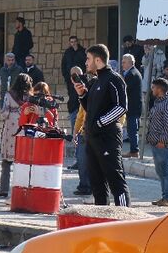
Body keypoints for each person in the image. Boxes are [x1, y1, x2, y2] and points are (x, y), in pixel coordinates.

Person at [74, 44, 130, 207]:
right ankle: (102, 221)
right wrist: (82, 95)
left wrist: (100, 122)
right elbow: (89, 109)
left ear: (98, 60)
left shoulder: (114, 79)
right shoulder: (94, 82)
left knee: (115, 180)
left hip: (108, 138)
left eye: (88, 59)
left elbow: (121, 107)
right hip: (92, 139)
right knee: (97, 183)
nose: (86, 63)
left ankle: (124, 217)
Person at [0, 73, 31, 198]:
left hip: (11, 127)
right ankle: (22, 188)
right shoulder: (29, 97)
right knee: (22, 162)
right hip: (24, 126)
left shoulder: (9, 95)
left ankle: (3, 189)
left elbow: (4, 112)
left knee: (6, 162)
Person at [145, 78, 168, 207]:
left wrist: (162, 140)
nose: (152, 90)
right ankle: (164, 196)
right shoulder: (157, 102)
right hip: (155, 142)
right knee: (160, 171)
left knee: (166, 171)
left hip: (162, 144)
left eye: (153, 88)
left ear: (159, 89)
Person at [61, 36, 86, 161]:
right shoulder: (67, 53)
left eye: (74, 42)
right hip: (71, 89)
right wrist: (68, 78)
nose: (73, 44)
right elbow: (63, 66)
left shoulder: (83, 52)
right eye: (71, 42)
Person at [70, 66, 92, 196]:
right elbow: (80, 116)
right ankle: (83, 185)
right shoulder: (84, 98)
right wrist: (75, 132)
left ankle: (93, 187)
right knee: (81, 160)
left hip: (95, 133)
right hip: (83, 133)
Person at [121, 53, 143, 159]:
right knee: (131, 130)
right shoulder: (128, 73)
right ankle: (133, 150)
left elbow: (125, 89)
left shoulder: (133, 74)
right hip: (131, 106)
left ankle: (134, 151)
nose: (122, 64)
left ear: (131, 62)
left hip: (133, 106)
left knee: (132, 129)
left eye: (124, 62)